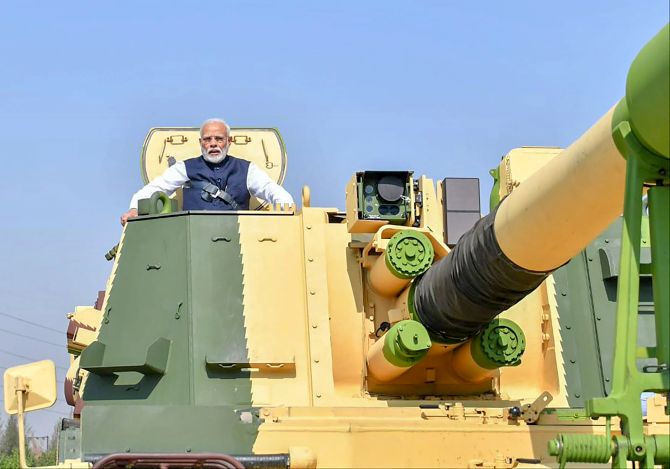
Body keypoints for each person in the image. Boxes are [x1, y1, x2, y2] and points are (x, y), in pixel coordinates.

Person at [120, 118, 294, 225]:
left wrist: (286, 210)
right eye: (208, 139)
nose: (213, 144)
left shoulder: (247, 169)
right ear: (201, 142)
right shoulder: (185, 168)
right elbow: (156, 188)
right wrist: (134, 209)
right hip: (195, 240)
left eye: (219, 139)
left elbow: (272, 191)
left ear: (228, 141)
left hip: (239, 240)